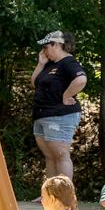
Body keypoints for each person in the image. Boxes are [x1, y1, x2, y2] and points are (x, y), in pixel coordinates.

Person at [32, 31, 88, 185]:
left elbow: (81, 80)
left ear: (56, 45)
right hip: (42, 114)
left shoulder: (68, 62)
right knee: (50, 156)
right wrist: (41, 64)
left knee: (61, 154)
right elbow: (34, 83)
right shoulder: (49, 64)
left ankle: (65, 194)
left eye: (46, 46)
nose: (44, 50)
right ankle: (50, 193)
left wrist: (65, 96)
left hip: (59, 115)